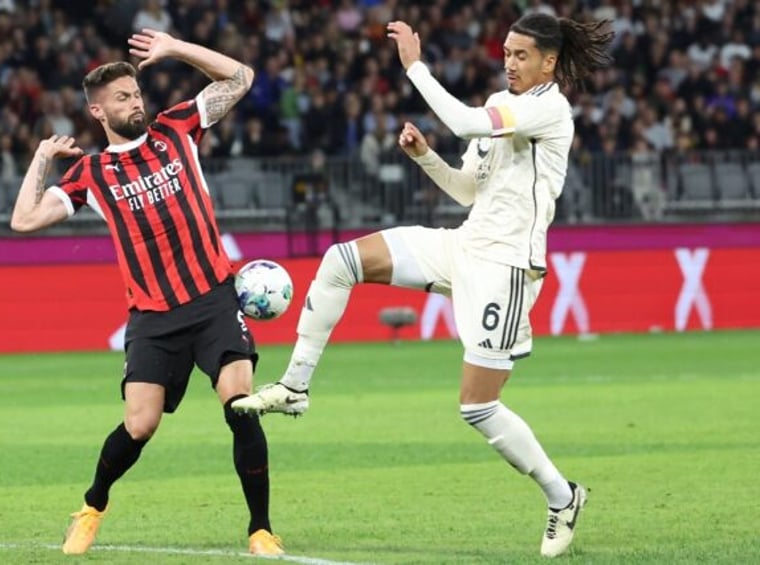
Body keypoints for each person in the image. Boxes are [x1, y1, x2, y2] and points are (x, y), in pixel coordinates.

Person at [234, 13, 613, 558]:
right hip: (463, 245)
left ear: (549, 62)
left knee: (477, 408)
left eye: (521, 55)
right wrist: (425, 158)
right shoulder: (500, 105)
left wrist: (414, 67)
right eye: (506, 51)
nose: (509, 61)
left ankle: (562, 496)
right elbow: (466, 192)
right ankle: (295, 387)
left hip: (505, 269)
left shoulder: (547, 109)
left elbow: (461, 121)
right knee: (341, 260)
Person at [10, 29, 284, 557]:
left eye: (135, 93)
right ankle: (91, 507)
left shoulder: (177, 128)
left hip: (213, 300)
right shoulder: (91, 173)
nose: (134, 103)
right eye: (121, 98)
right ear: (97, 111)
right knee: (140, 425)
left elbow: (242, 78)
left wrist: (176, 48)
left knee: (241, 406)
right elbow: (24, 220)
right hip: (153, 317)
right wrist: (43, 157)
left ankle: (261, 530)